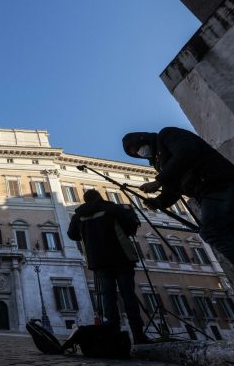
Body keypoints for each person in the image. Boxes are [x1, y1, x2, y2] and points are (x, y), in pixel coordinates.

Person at [123, 127, 234, 267]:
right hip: (206, 193)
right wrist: (159, 201)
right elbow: (173, 189)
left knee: (212, 232)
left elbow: (186, 153)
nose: (140, 153)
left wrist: (159, 180)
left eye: (138, 148)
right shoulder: (159, 163)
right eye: (136, 153)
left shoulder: (167, 135)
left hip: (218, 184)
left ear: (143, 139)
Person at [67, 189, 150, 344]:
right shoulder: (113, 208)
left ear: (85, 200)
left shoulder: (79, 215)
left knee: (108, 297)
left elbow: (72, 235)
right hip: (121, 257)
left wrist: (85, 233)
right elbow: (131, 226)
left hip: (98, 260)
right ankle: (138, 334)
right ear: (100, 197)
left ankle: (113, 334)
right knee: (128, 296)